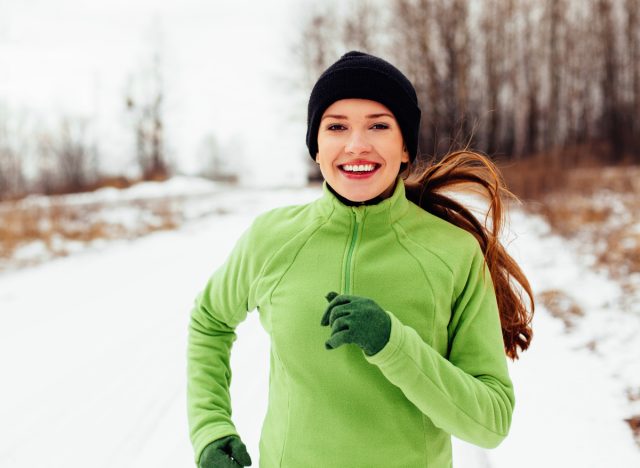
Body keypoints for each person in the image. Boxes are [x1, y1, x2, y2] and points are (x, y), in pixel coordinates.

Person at [187, 50, 534, 468]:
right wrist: (211, 429)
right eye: (336, 126)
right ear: (316, 147)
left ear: (405, 146)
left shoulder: (453, 253)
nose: (356, 144)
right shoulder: (271, 240)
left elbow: (490, 423)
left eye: (378, 125)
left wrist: (391, 342)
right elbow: (209, 321)